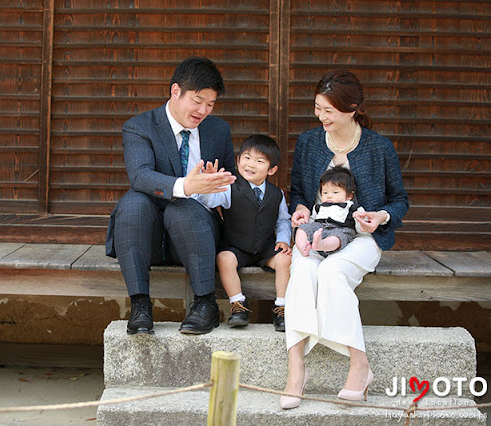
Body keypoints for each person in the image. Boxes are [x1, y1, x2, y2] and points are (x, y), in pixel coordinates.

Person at [280, 69, 409, 409]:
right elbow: (297, 194)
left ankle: (359, 365)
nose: (320, 116)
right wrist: (301, 211)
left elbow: (399, 200)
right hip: (316, 232)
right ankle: (296, 370)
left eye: (328, 111)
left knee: (332, 272)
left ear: (352, 108)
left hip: (362, 238)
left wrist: (381, 217)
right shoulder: (309, 143)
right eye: (317, 108)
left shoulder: (379, 147)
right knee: (305, 271)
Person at [105, 57, 237, 336]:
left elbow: (231, 184)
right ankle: (140, 304)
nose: (203, 110)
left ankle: (205, 303)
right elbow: (139, 175)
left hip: (195, 233)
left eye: (210, 104)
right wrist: (186, 186)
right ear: (175, 91)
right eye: (197, 100)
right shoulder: (140, 126)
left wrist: (214, 186)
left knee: (184, 208)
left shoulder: (218, 130)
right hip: (148, 235)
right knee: (133, 202)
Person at [199, 135, 291, 331]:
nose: (251, 164)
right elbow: (209, 202)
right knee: (224, 259)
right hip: (236, 246)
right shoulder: (229, 188)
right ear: (238, 160)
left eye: (259, 161)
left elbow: (283, 220)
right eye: (247, 158)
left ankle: (281, 308)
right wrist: (209, 185)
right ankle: (238, 305)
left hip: (265, 248)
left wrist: (283, 240)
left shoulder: (278, 194)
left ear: (272, 169)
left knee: (285, 260)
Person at [294, 166, 367, 258]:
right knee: (302, 228)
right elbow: (312, 220)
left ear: (349, 195)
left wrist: (359, 219)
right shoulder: (318, 207)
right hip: (320, 227)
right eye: (325, 193)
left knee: (338, 237)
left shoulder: (352, 208)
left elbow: (362, 227)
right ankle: (302, 247)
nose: (329, 196)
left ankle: (321, 244)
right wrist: (305, 223)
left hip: (341, 228)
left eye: (335, 192)